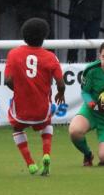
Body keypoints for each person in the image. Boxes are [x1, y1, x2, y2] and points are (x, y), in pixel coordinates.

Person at [4, 18, 65, 175]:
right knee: (46, 124)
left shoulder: (14, 54)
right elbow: (61, 83)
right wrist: (60, 93)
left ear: (23, 35)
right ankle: (46, 154)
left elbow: (7, 80)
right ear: (44, 37)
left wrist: (18, 90)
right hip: (42, 108)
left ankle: (30, 163)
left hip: (21, 107)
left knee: (17, 128)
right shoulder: (51, 57)